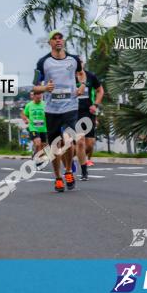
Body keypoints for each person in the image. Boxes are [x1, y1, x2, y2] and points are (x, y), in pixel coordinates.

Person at [33, 30, 86, 192]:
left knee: (69, 140)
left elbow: (81, 73)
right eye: (54, 39)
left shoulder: (73, 59)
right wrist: (45, 87)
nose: (58, 41)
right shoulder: (43, 62)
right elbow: (35, 86)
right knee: (55, 145)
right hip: (51, 109)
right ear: (49, 42)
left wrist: (82, 85)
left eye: (60, 38)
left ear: (63, 41)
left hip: (70, 106)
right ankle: (57, 177)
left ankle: (69, 171)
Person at [75, 69, 104, 180]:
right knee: (80, 142)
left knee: (90, 144)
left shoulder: (91, 76)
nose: (79, 64)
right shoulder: (70, 77)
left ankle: (79, 157)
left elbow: (100, 90)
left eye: (80, 62)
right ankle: (84, 171)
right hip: (75, 112)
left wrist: (95, 105)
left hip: (89, 113)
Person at [22, 90, 48, 158]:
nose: (39, 96)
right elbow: (24, 114)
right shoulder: (29, 105)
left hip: (43, 128)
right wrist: (26, 119)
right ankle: (37, 160)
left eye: (40, 95)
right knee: (37, 144)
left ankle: (37, 158)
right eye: (37, 95)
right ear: (33, 96)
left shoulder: (45, 104)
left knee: (43, 147)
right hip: (33, 128)